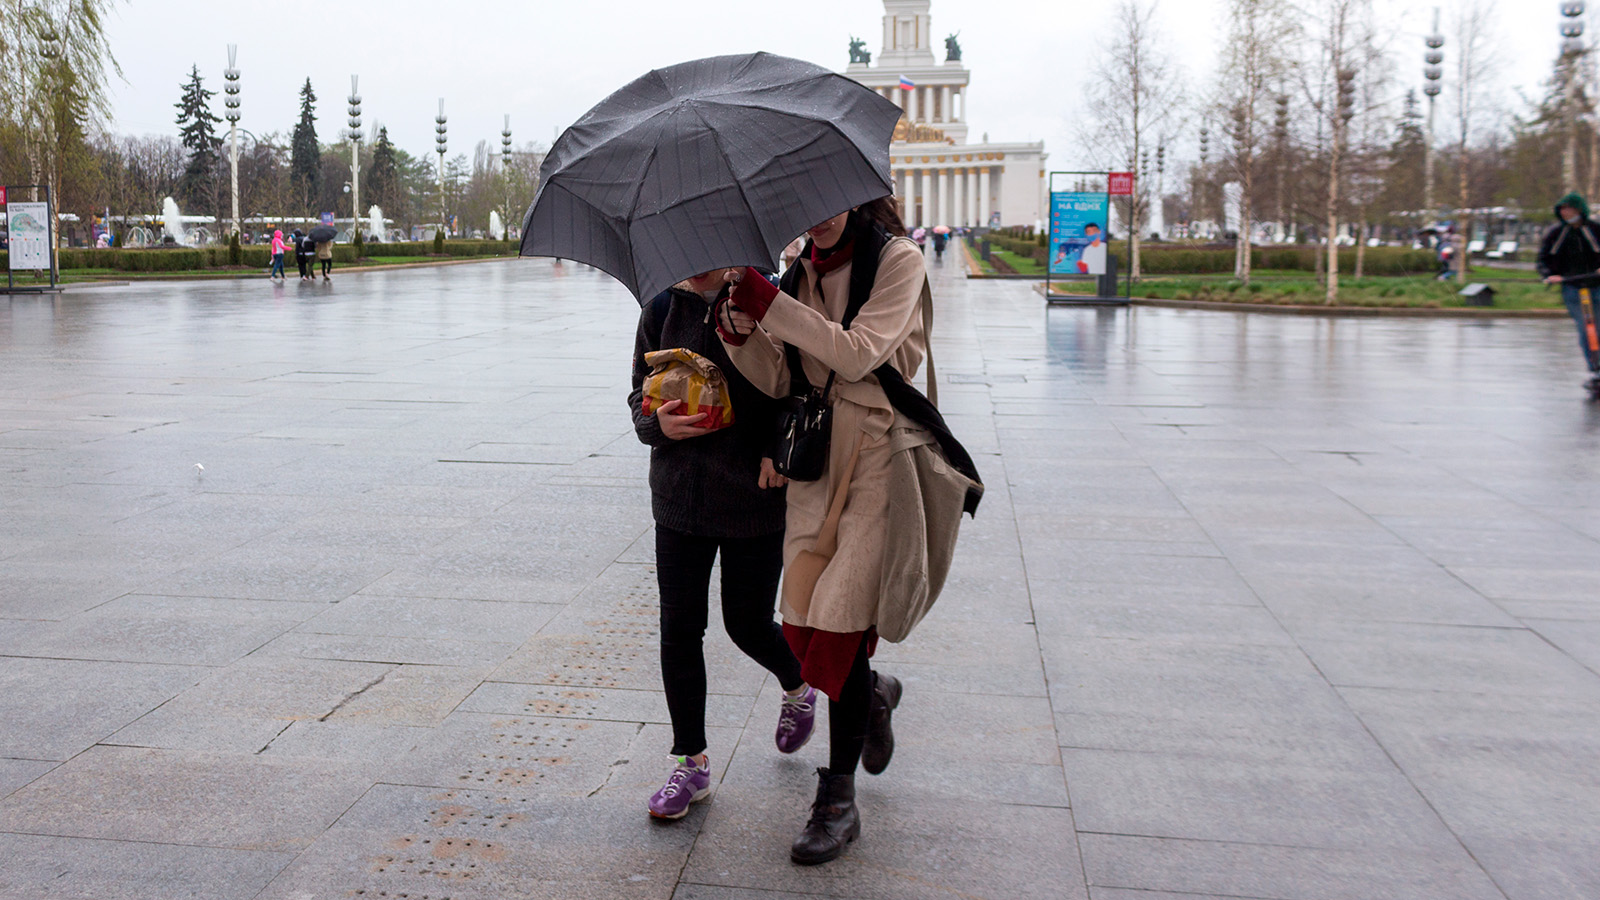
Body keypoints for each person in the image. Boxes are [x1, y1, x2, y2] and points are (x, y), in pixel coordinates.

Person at [715, 196, 922, 865]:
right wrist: (742, 331)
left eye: (833, 203)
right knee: (803, 626)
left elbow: (858, 355)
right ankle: (874, 693)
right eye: (809, 206)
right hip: (816, 452)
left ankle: (837, 800)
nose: (821, 216)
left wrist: (769, 302)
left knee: (837, 622)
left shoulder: (899, 261)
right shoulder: (800, 266)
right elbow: (786, 374)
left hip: (879, 456)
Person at [628, 270, 816, 822]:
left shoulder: (768, 298)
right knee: (680, 630)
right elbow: (637, 397)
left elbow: (803, 387)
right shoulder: (661, 304)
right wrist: (656, 424)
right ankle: (691, 762)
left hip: (753, 496)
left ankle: (798, 684)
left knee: (747, 623)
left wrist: (777, 454)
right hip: (678, 499)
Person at [1537, 191, 1600, 392]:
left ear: (1579, 210)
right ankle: (1595, 370)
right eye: (1562, 209)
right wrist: (1549, 274)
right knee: (1587, 329)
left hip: (1597, 285)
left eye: (1569, 209)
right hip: (1574, 288)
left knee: (1597, 328)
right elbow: (1544, 259)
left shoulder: (1595, 230)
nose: (1565, 213)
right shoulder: (1557, 233)